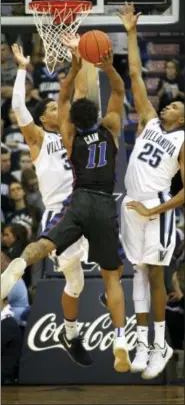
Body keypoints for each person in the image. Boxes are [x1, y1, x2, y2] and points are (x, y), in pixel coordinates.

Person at [2, 39, 130, 373]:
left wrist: (83, 59)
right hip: (64, 209)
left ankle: (71, 332)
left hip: (87, 204)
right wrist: (21, 70)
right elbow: (18, 108)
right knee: (78, 280)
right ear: (44, 118)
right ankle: (24, 272)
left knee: (82, 282)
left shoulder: (75, 134)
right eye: (55, 110)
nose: (62, 110)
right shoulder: (41, 139)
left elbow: (82, 96)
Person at [118, 3, 184, 380]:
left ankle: (161, 345)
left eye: (174, 104)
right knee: (138, 274)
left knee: (156, 275)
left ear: (183, 118)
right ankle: (143, 342)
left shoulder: (183, 139)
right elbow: (134, 77)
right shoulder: (149, 121)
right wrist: (129, 31)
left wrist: (155, 212)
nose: (167, 105)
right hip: (131, 206)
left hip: (156, 208)